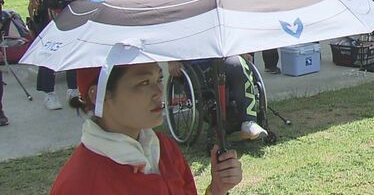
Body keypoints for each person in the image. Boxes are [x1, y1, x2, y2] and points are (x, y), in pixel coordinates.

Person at [50, 63, 242, 194]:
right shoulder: (79, 184)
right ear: (98, 94)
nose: (159, 92)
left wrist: (216, 189)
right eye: (143, 83)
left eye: (158, 79)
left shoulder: (164, 148)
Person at [168, 0, 269, 141]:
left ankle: (249, 122)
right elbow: (167, 36)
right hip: (193, 64)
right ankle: (220, 122)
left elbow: (223, 28)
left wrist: (238, 49)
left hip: (219, 54)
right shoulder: (172, 4)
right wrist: (171, 61)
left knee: (238, 64)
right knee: (213, 80)